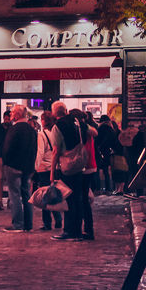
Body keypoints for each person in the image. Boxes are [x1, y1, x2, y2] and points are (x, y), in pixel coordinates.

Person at [50, 101, 96, 241]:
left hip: (67, 166)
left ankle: (70, 231)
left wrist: (52, 172)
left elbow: (56, 151)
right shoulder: (76, 122)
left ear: (54, 112)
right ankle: (78, 231)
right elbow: (94, 131)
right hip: (80, 165)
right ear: (66, 110)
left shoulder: (58, 126)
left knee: (69, 199)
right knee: (78, 198)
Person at [35, 110, 61, 230]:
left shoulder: (42, 135)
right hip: (55, 167)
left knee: (45, 196)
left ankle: (47, 223)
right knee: (54, 193)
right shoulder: (56, 132)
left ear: (43, 121)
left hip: (44, 168)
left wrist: (35, 167)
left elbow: (39, 152)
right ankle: (59, 219)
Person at [95, 114, 119, 194]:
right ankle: (109, 188)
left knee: (102, 170)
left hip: (102, 151)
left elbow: (98, 139)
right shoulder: (111, 128)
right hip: (110, 151)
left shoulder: (101, 128)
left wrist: (99, 147)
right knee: (108, 171)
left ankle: (101, 188)